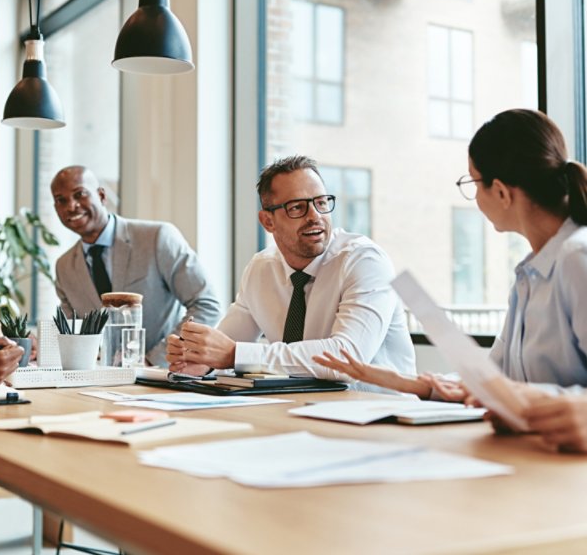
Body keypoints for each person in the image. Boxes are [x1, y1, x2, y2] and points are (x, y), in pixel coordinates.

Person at [315, 109, 587, 403]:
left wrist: (516, 397)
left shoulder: (576, 258)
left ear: (500, 192)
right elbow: (495, 380)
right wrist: (412, 383)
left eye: (472, 182)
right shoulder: (529, 275)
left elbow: (516, 393)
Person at [166, 155, 416, 390]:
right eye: (297, 207)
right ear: (268, 221)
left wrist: (234, 355)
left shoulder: (364, 260)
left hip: (379, 417)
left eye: (321, 202)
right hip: (301, 410)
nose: (315, 216)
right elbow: (225, 343)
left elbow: (347, 358)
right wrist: (199, 358)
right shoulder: (261, 268)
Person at [51, 166, 222, 367]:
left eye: (79, 194)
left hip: (162, 374)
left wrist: (155, 359)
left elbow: (207, 305)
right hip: (100, 381)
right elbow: (73, 333)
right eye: (61, 200)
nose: (71, 206)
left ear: (102, 195)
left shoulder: (157, 237)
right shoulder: (64, 267)